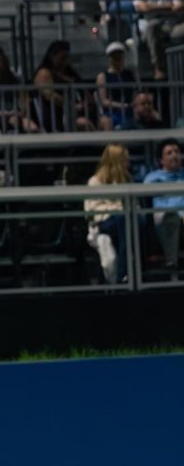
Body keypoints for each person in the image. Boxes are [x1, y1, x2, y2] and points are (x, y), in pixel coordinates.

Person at [131, 0, 184, 78]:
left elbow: (179, 6)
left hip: (171, 26)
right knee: (153, 26)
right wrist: (168, 6)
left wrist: (153, 6)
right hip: (149, 27)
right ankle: (158, 68)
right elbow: (142, 7)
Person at [86, 144, 131, 284]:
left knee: (136, 221)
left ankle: (128, 272)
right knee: (123, 220)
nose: (128, 163)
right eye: (125, 160)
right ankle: (123, 273)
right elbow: (91, 209)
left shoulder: (127, 179)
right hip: (103, 222)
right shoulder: (95, 181)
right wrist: (117, 208)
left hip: (124, 219)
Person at [143, 139, 184, 265]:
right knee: (171, 217)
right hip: (163, 216)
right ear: (161, 160)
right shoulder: (153, 177)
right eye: (169, 153)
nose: (174, 155)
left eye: (177, 152)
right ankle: (172, 263)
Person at [95, 42, 136, 129]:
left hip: (130, 110)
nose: (117, 59)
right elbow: (104, 101)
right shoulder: (103, 76)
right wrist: (122, 105)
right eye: (114, 56)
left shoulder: (129, 74)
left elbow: (135, 93)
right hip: (112, 112)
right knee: (107, 122)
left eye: (119, 56)